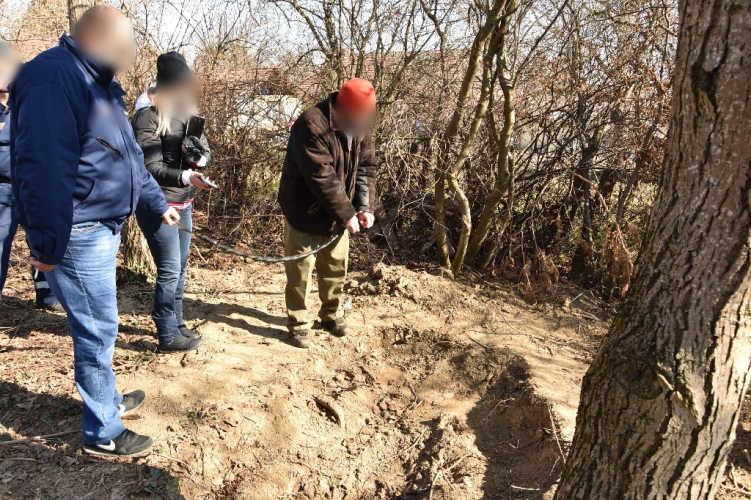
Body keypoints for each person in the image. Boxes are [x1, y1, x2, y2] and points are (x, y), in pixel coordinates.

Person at [11, 6, 180, 456]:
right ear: (95, 36)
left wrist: (156, 202)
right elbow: (42, 169)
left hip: (100, 226)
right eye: (123, 44)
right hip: (77, 231)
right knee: (96, 329)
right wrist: (47, 244)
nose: (129, 52)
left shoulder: (98, 81)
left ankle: (107, 398)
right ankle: (102, 432)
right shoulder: (52, 78)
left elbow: (127, 155)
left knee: (101, 324)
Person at [277, 78, 377, 349]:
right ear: (348, 108)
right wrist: (347, 214)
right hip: (304, 211)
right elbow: (322, 177)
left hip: (338, 213)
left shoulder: (361, 123)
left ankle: (332, 314)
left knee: (335, 267)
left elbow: (366, 166)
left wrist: (364, 206)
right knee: (300, 273)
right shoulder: (312, 124)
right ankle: (299, 323)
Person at [132, 51, 212, 353]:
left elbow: (206, 151)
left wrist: (199, 159)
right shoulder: (147, 116)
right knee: (168, 269)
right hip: (158, 204)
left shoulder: (189, 113)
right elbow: (148, 166)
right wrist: (185, 177)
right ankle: (166, 333)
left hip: (183, 203)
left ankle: (177, 322)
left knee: (179, 268)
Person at [0, 41, 62, 311]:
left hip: (32, 187)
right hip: (3, 191)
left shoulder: (29, 99)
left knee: (43, 242)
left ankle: (47, 294)